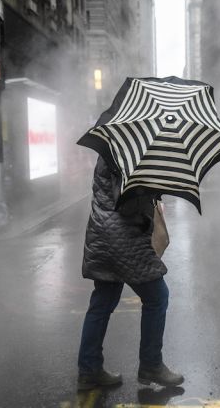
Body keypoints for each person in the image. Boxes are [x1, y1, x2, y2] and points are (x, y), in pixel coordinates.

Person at [77, 156, 184, 390]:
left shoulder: (113, 148)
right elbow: (126, 204)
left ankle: (89, 369)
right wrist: (152, 192)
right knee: (157, 297)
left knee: (102, 302)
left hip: (104, 233)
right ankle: (151, 365)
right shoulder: (125, 155)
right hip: (124, 238)